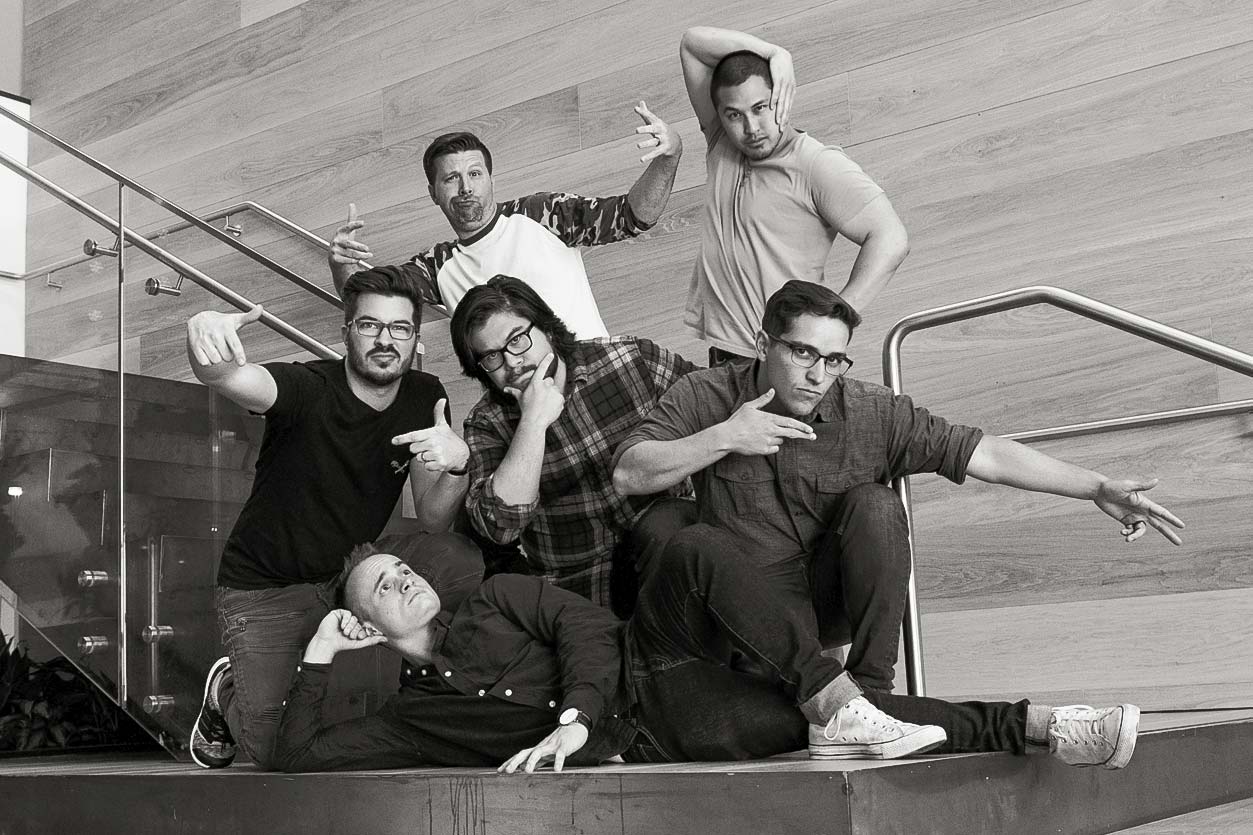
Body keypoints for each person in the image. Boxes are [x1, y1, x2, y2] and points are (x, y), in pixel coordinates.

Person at [612, 279, 1185, 692]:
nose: (818, 375)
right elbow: (629, 472)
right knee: (666, 528)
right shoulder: (708, 395)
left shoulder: (870, 410)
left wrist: (1095, 487)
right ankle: (698, 685)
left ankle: (873, 690)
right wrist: (722, 437)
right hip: (751, 610)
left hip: (833, 596)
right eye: (803, 352)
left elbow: (983, 452)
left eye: (834, 360)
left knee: (877, 504)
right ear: (764, 345)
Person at [271, 540, 1141, 772]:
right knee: (811, 724)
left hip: (645, 656)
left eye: (404, 567)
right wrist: (315, 652)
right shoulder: (415, 718)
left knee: (689, 549)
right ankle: (1041, 725)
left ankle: (833, 698)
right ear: (364, 624)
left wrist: (573, 720)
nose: (405, 578)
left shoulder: (495, 595)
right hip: (657, 728)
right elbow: (295, 754)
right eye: (382, 585)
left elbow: (587, 630)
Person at [184, 265, 483, 770]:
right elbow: (231, 378)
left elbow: (433, 518)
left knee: (457, 558)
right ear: (346, 333)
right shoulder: (306, 388)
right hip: (266, 585)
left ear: (415, 338)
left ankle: (454, 694)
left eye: (400, 328)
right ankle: (226, 690)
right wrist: (205, 337)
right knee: (273, 750)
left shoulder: (424, 395)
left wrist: (458, 466)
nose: (385, 340)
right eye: (369, 325)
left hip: (351, 573)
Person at [449, 276, 701, 613]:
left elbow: (714, 400)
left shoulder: (629, 358)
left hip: (668, 545)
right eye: (491, 356)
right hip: (580, 589)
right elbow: (500, 528)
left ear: (547, 329)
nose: (512, 362)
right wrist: (532, 423)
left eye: (517, 340)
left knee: (667, 529)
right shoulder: (487, 423)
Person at [326, 104, 683, 339]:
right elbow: (370, 304)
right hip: (520, 413)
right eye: (451, 179)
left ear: (491, 180)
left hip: (594, 376)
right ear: (433, 193)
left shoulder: (542, 213)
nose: (466, 188)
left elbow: (632, 217)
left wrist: (670, 155)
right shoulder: (436, 267)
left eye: (475, 174)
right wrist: (341, 266)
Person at [678, 26, 910, 363]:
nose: (751, 127)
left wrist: (831, 324)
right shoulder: (721, 141)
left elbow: (892, 239)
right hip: (727, 357)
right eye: (735, 115)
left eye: (761, 107)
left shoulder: (815, 163)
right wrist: (773, 52)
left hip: (780, 361)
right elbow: (692, 44)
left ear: (781, 97)